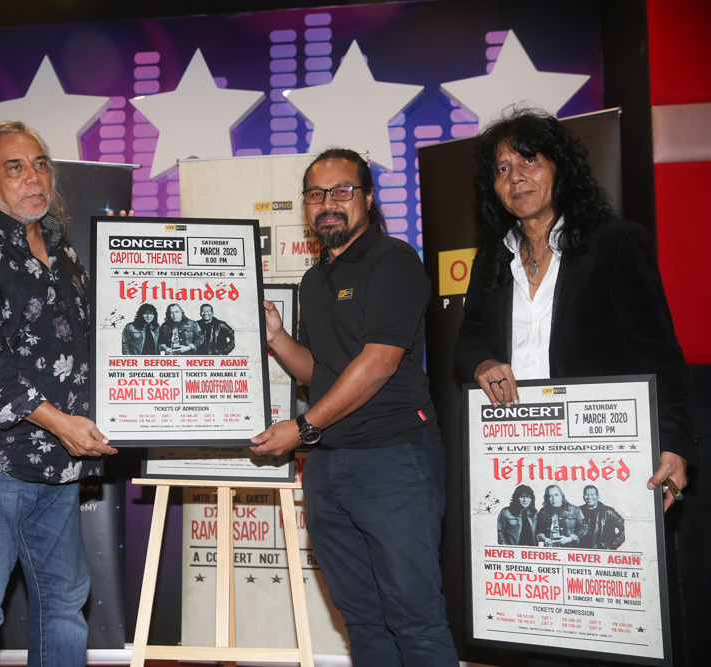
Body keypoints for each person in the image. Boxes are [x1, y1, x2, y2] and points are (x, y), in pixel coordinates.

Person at [250, 148, 457, 664]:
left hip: (393, 460)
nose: (328, 203)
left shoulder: (392, 260)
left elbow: (379, 363)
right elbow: (319, 372)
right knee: (361, 617)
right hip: (329, 465)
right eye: (316, 194)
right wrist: (276, 338)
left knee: (415, 617)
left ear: (367, 197)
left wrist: (302, 428)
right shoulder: (313, 279)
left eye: (342, 191)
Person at [0, 120, 117, 666]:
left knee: (64, 603)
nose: (33, 177)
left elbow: (91, 344)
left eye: (39, 165)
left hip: (59, 462)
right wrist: (61, 423)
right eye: (14, 167)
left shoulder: (64, 253)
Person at [455, 109, 694, 513]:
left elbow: (659, 351)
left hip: (605, 452)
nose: (515, 177)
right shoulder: (492, 258)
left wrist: (674, 444)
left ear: (560, 168)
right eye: (502, 168)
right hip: (514, 452)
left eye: (529, 160)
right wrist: (482, 361)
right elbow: (470, 332)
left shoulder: (617, 243)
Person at [579, 485, 625, 550]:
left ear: (598, 497)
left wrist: (612, 545)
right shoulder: (578, 511)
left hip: (604, 552)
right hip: (584, 552)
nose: (589, 497)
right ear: (583, 497)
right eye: (587, 495)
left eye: (592, 494)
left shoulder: (608, 512)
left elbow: (624, 527)